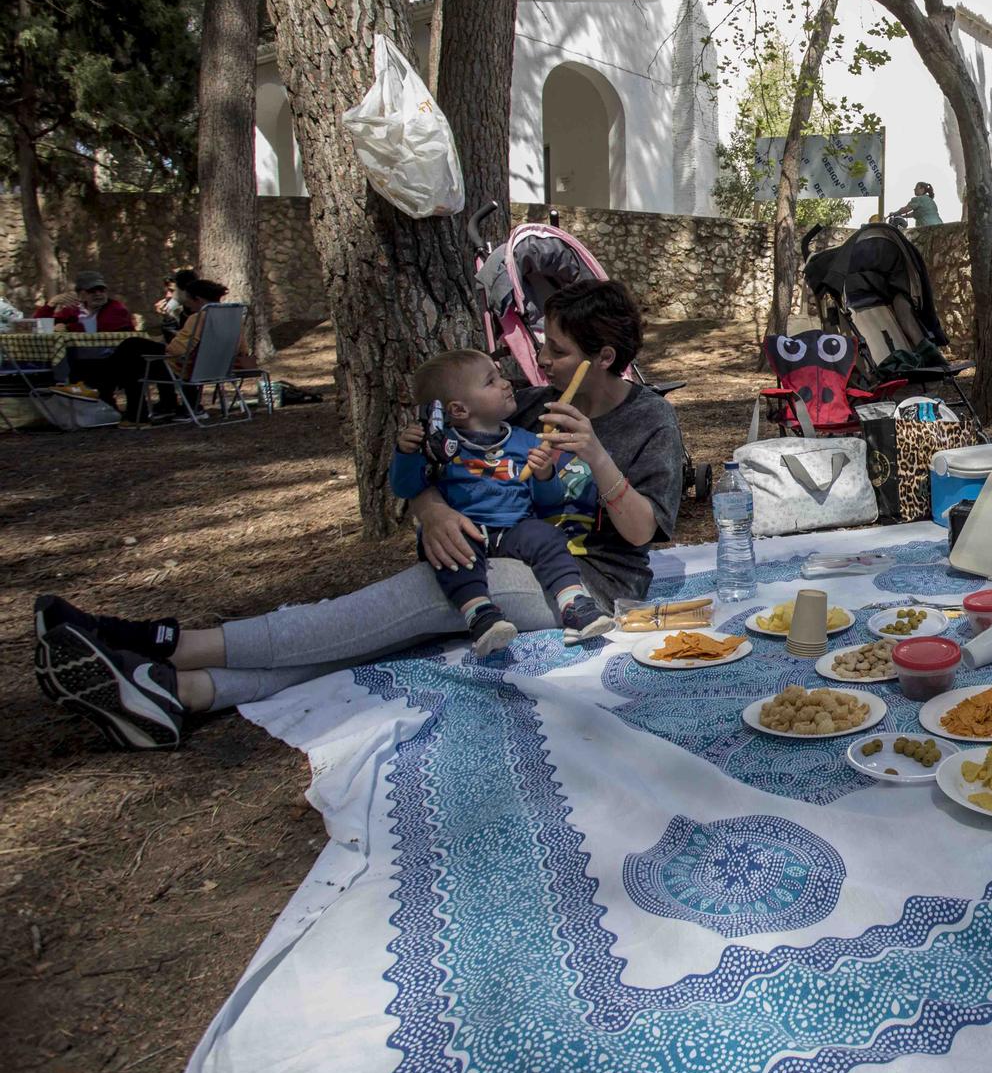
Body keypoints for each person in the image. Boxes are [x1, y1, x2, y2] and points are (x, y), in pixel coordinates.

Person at [31, 279, 685, 749]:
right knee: (392, 628)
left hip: (593, 586)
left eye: (559, 352)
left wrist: (596, 454)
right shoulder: (533, 403)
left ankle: (165, 643)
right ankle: (183, 692)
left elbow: (640, 534)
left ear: (601, 358)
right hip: (505, 553)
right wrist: (428, 508)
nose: (541, 361)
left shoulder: (648, 419)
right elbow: (437, 456)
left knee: (430, 594)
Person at [391, 349, 613, 656]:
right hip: (467, 529)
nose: (506, 383)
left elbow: (550, 507)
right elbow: (407, 487)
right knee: (453, 549)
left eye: (500, 376)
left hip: (515, 530)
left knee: (547, 536)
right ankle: (480, 615)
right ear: (458, 409)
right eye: (490, 381)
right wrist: (406, 455)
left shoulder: (526, 441)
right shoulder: (442, 448)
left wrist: (545, 473)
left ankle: (575, 603)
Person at [76, 277, 246, 422]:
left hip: (187, 368)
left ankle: (104, 390)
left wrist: (171, 341)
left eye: (188, 298)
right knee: (132, 349)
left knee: (132, 350)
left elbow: (177, 351)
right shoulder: (231, 317)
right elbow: (241, 348)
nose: (186, 302)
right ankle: (162, 405)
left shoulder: (199, 318)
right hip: (217, 367)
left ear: (198, 299)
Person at [35, 270, 136, 333]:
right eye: (91, 291)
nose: (98, 294)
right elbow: (38, 325)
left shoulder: (115, 308)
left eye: (101, 290)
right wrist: (52, 303)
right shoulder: (74, 310)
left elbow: (103, 328)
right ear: (80, 294)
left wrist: (68, 328)